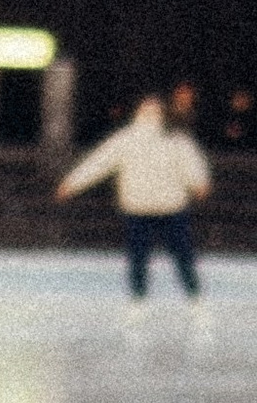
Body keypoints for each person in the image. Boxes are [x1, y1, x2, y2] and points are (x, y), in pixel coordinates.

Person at [56, 92, 212, 294]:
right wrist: (200, 184)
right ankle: (191, 291)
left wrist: (71, 184)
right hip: (166, 206)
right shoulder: (173, 139)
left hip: (143, 206)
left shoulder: (129, 139)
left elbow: (98, 163)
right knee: (179, 253)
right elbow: (192, 164)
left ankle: (142, 294)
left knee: (141, 255)